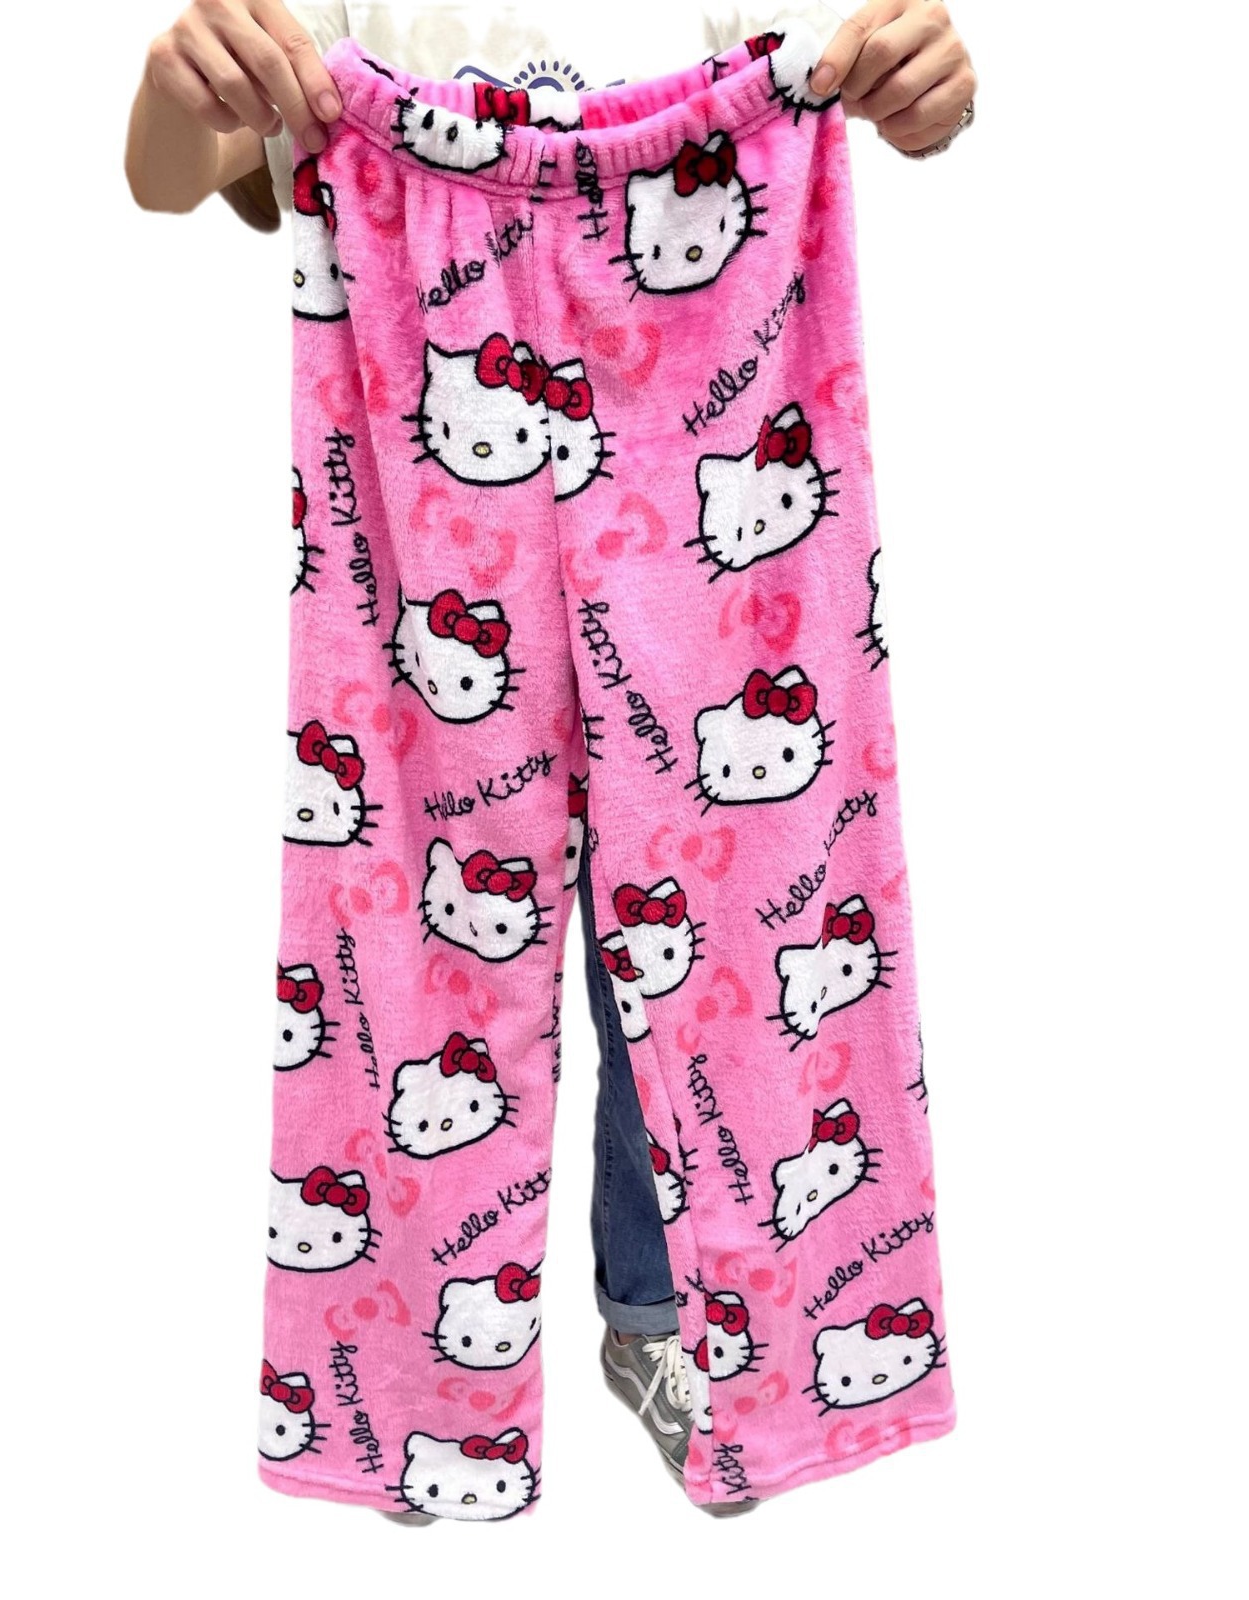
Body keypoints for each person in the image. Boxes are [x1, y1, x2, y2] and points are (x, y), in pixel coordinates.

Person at [126, 0, 976, 1524]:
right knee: (422, 887)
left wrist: (929, 91)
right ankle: (417, 1388)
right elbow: (174, 174)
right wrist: (182, 85)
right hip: (417, 315)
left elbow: (888, 76)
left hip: (706, 313)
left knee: (733, 893)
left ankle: (681, 1322)